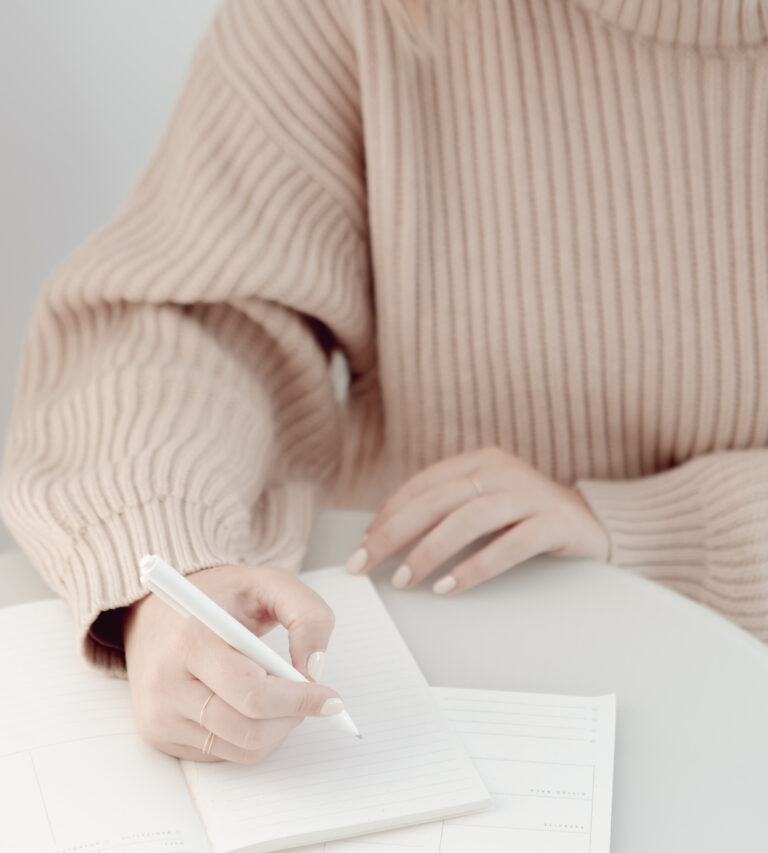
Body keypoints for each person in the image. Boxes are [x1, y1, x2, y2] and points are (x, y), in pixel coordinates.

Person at [2, 0, 767, 766]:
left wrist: (670, 531)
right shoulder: (364, 17)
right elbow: (196, 322)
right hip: (416, 683)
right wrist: (174, 564)